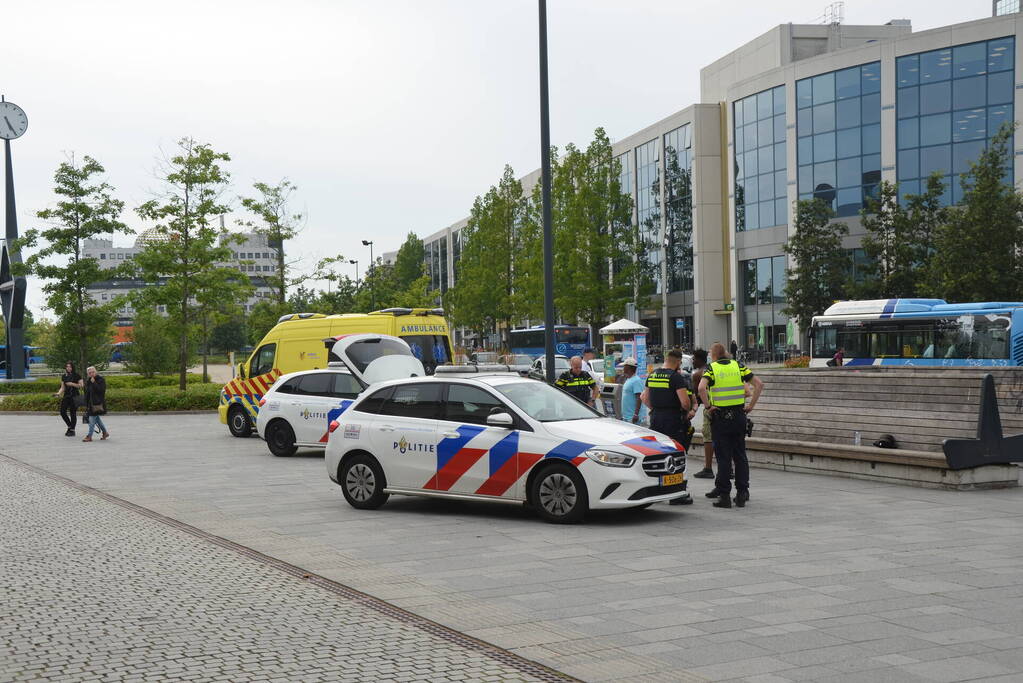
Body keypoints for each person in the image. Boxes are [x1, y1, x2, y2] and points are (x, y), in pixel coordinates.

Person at [698, 342, 764, 509]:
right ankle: (742, 493)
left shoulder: (712, 368)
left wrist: (707, 407)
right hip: (739, 417)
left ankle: (725, 496)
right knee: (740, 456)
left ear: (713, 355)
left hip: (721, 418)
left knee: (723, 458)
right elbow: (759, 384)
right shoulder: (738, 366)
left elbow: (701, 388)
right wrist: (751, 406)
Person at [641, 348, 695, 506]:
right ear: (678, 362)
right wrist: (687, 411)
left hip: (656, 419)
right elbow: (685, 402)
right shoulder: (676, 377)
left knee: (658, 454)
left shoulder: (653, 374)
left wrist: (655, 409)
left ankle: (659, 489)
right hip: (673, 420)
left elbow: (644, 397)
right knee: (676, 454)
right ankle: (677, 494)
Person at [689, 349, 715, 479]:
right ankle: (730, 469)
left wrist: (691, 410)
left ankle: (708, 468)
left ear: (699, 360)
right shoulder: (712, 369)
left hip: (709, 409)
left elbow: (697, 395)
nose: (692, 361)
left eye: (694, 359)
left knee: (708, 438)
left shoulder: (698, 374)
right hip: (720, 408)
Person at [54, 361, 83, 437]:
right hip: (66, 396)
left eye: (70, 366)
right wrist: (58, 393)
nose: (68, 368)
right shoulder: (64, 376)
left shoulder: (77, 375)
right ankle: (70, 426)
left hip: (75, 396)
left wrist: (72, 384)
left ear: (72, 367)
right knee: (62, 412)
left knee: (73, 413)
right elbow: (62, 387)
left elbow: (81, 385)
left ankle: (72, 430)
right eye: (67, 367)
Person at [82, 366, 110, 442]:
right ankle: (105, 432)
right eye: (89, 373)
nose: (91, 374)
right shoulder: (88, 381)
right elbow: (87, 393)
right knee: (97, 419)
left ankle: (89, 436)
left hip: (97, 404)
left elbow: (101, 390)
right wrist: (86, 404)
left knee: (92, 419)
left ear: (96, 372)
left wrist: (94, 382)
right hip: (90, 404)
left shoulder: (101, 379)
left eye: (93, 372)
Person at [619, 357, 648, 426]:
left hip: (633, 418)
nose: (623, 368)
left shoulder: (636, 380)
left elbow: (639, 398)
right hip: (627, 417)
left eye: (624, 367)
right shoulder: (629, 379)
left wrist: (636, 414)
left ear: (628, 368)